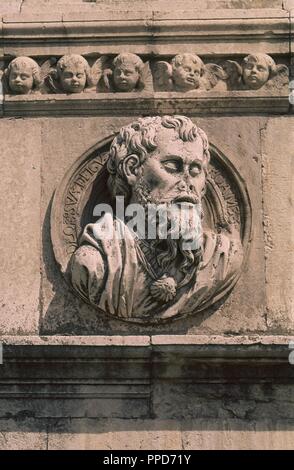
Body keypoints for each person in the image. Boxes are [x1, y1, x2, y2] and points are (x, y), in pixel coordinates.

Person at [70, 115, 242, 320]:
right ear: (133, 169)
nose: (187, 182)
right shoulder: (95, 264)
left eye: (195, 170)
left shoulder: (222, 259)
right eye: (172, 166)